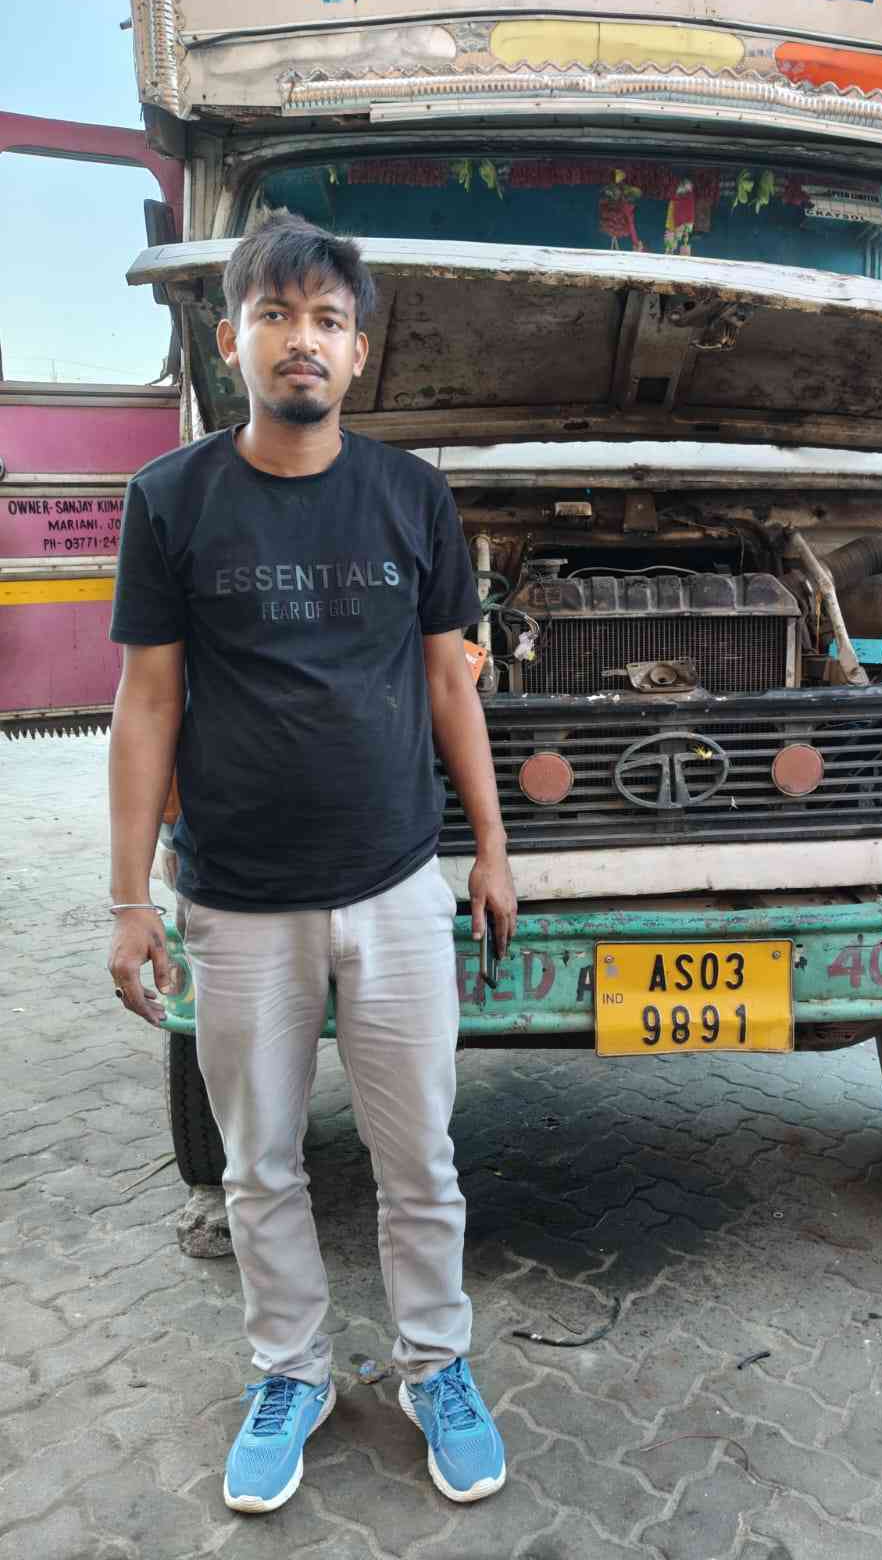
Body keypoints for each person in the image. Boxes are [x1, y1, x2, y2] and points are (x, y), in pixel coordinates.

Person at [106, 211, 517, 1514]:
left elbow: (450, 685)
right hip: (236, 905)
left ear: (358, 352)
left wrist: (491, 847)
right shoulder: (171, 500)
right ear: (230, 339)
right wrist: (128, 897)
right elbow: (147, 703)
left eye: (329, 320)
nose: (304, 339)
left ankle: (435, 1365)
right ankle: (290, 1374)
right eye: (276, 315)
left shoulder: (412, 497)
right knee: (260, 1166)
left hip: (395, 888)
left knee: (421, 1162)